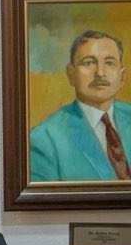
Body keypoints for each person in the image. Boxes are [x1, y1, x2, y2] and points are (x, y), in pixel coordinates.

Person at [29, 29, 131, 181]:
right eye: (88, 62)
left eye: (109, 63)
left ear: (122, 76)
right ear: (71, 74)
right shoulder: (44, 139)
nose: (100, 73)